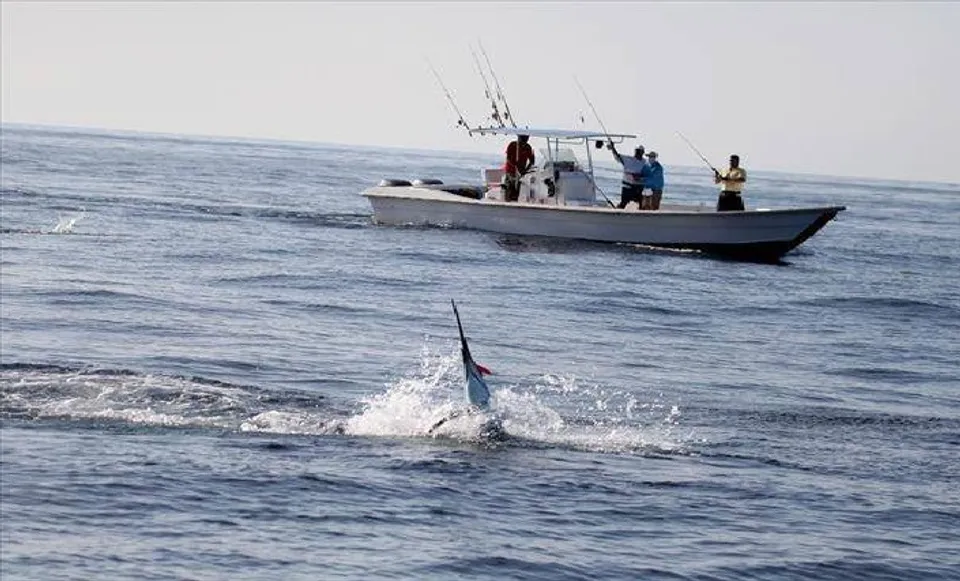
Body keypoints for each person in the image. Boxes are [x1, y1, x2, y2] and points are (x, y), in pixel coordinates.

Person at [609, 142, 649, 209]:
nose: (637, 153)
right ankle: (617, 214)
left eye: (639, 151)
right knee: (623, 204)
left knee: (642, 205)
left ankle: (641, 217)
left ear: (642, 152)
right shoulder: (628, 159)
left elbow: (648, 175)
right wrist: (613, 148)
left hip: (639, 187)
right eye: (637, 151)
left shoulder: (645, 162)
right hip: (627, 186)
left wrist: (640, 177)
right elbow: (617, 156)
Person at [502, 134, 535, 202]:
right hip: (510, 170)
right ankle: (507, 201)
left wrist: (525, 170)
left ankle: (515, 200)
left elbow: (532, 162)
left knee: (518, 187)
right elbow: (508, 158)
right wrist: (516, 166)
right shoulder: (513, 145)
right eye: (523, 138)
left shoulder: (528, 147)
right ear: (519, 137)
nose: (525, 140)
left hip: (521, 172)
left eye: (526, 138)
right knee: (510, 186)